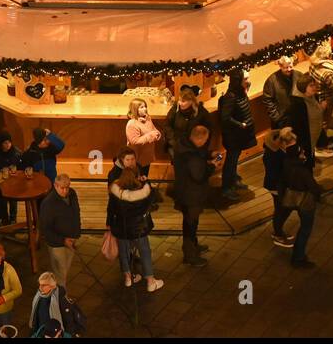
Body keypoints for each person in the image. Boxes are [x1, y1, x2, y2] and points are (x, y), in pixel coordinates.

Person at [108, 165, 164, 291]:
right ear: (137, 177)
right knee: (144, 252)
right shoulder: (143, 193)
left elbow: (110, 209)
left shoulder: (115, 192)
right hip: (138, 228)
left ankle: (128, 278)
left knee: (124, 252)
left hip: (121, 228)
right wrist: (146, 182)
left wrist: (110, 223)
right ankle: (150, 282)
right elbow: (152, 200)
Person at [174, 124, 216, 267]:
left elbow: (199, 153)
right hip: (192, 195)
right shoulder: (192, 157)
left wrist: (210, 154)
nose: (206, 142)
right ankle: (190, 255)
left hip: (184, 191)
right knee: (190, 225)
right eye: (205, 140)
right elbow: (199, 176)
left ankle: (193, 246)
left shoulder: (183, 145)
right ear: (199, 139)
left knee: (190, 223)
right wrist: (212, 166)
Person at [281, 139, 320, 268]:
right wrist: (318, 194)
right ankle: (298, 257)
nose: (304, 154)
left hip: (292, 198)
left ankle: (298, 256)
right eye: (302, 152)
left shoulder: (286, 164)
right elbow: (313, 187)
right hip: (305, 203)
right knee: (305, 229)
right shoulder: (303, 171)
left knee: (303, 228)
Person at [218, 68, 256, 198]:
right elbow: (225, 117)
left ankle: (233, 180)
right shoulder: (231, 97)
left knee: (234, 160)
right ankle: (226, 188)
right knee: (231, 161)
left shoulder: (240, 91)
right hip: (233, 136)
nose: (248, 81)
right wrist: (241, 124)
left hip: (239, 135)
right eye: (245, 79)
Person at [38, 172, 81, 286]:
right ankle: (61, 294)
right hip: (57, 244)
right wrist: (63, 240)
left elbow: (76, 213)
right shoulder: (48, 203)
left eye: (67, 187)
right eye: (62, 188)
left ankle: (56, 290)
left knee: (64, 271)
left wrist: (76, 233)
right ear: (55, 186)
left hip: (71, 239)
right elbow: (45, 229)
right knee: (60, 273)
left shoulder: (72, 194)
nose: (65, 191)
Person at [124, 98, 161, 176]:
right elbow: (134, 141)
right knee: (136, 177)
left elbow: (153, 129)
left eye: (145, 106)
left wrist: (157, 133)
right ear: (135, 110)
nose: (145, 109)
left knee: (144, 176)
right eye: (141, 107)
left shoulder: (147, 118)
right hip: (137, 158)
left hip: (146, 156)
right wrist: (151, 135)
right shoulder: (132, 124)